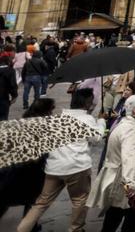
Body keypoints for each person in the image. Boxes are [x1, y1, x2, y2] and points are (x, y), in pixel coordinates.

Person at [15, 88, 103, 232]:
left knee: (41, 203)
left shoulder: (58, 118)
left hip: (54, 167)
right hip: (77, 167)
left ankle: (22, 229)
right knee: (79, 200)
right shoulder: (87, 119)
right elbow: (97, 138)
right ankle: (75, 229)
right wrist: (101, 121)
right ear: (87, 103)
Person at [88, 92, 135, 232]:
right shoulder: (131, 130)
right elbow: (129, 157)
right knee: (124, 216)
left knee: (116, 215)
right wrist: (130, 187)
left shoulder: (125, 123)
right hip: (126, 180)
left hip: (121, 178)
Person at [0, 51, 17, 120]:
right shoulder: (10, 71)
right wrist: (14, 96)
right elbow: (12, 85)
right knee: (3, 117)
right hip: (3, 97)